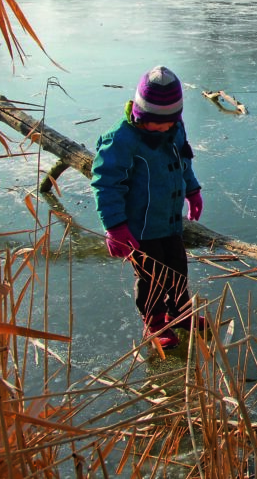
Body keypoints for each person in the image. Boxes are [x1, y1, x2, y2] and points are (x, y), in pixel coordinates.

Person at [91, 66, 203, 351]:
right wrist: (115, 226)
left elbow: (183, 162)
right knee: (151, 277)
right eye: (157, 123)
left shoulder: (173, 129)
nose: (164, 128)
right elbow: (107, 184)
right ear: (140, 115)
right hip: (139, 228)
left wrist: (192, 190)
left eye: (170, 122)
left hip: (169, 221)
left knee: (178, 268)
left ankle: (179, 313)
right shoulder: (121, 141)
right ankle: (154, 323)